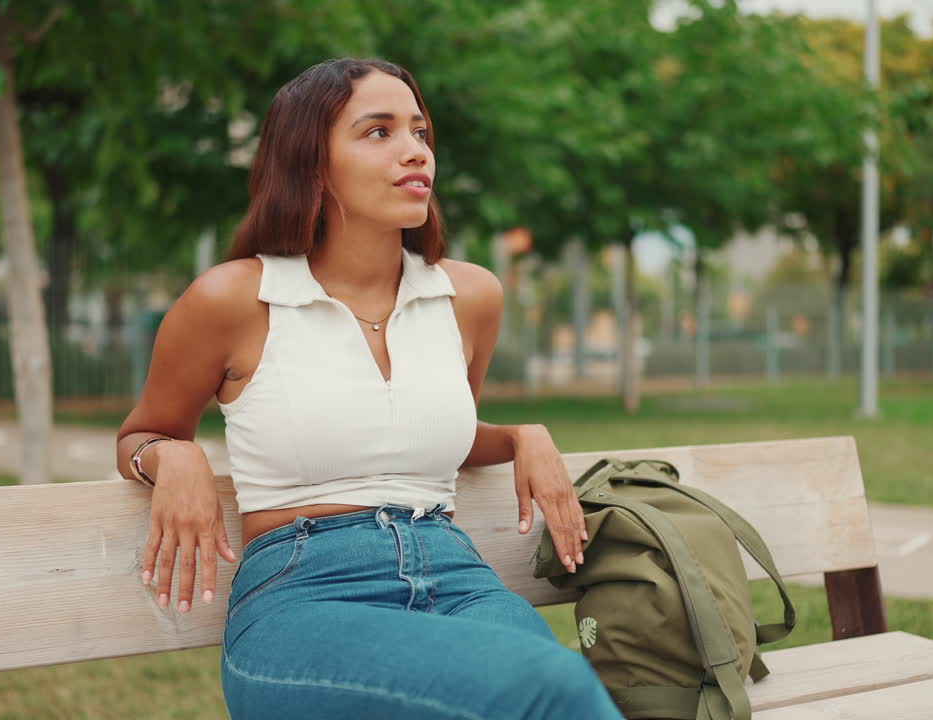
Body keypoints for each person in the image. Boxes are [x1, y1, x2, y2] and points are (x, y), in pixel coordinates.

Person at [116, 57, 623, 720]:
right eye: (379, 132)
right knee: (550, 689)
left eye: (419, 131)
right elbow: (140, 433)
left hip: (457, 577)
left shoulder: (469, 296)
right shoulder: (233, 300)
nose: (415, 151)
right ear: (313, 164)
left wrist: (521, 437)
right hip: (304, 597)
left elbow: (429, 433)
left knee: (553, 689)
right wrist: (169, 453)